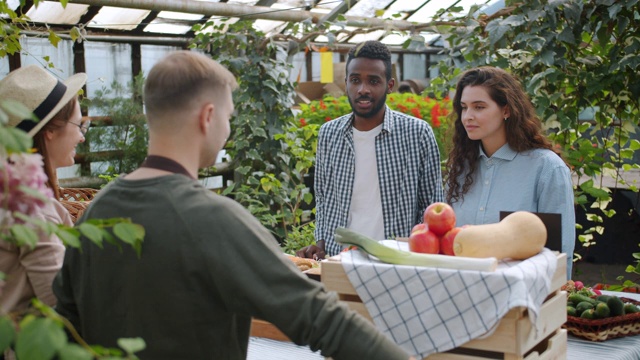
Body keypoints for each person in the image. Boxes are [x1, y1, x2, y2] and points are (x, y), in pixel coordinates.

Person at [52, 51, 413, 360]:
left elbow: (65, 318)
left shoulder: (96, 211)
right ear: (207, 117)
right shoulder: (209, 219)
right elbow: (319, 316)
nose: (228, 129)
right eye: (228, 116)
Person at [297, 40, 443, 259]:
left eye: (373, 81)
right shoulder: (329, 134)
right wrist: (321, 244)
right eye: (355, 80)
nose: (362, 89)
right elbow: (324, 197)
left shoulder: (417, 133)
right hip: (341, 259)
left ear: (390, 85)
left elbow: (431, 207)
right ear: (346, 82)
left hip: (396, 262)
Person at [444, 66, 575, 277]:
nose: (467, 116)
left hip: (521, 297)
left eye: (479, 107)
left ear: (506, 110)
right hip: (460, 291)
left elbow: (560, 255)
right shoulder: (461, 168)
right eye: (464, 107)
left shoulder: (546, 169)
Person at [0, 65, 88, 314]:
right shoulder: (31, 207)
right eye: (79, 125)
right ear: (49, 131)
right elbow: (61, 302)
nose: (82, 137)